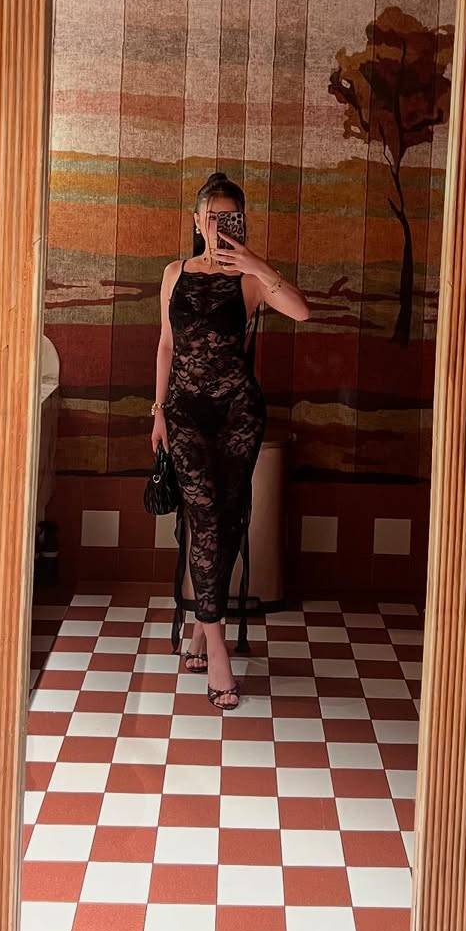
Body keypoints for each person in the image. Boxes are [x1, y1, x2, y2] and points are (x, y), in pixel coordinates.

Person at [151, 172, 310, 710]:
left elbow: (302, 310)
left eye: (231, 218)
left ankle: (201, 629)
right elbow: (166, 346)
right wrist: (158, 411)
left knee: (229, 517)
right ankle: (218, 652)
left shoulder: (250, 279)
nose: (220, 226)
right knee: (204, 516)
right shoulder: (175, 273)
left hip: (238, 412)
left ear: (242, 223)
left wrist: (256, 264)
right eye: (212, 217)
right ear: (197, 220)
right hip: (184, 413)